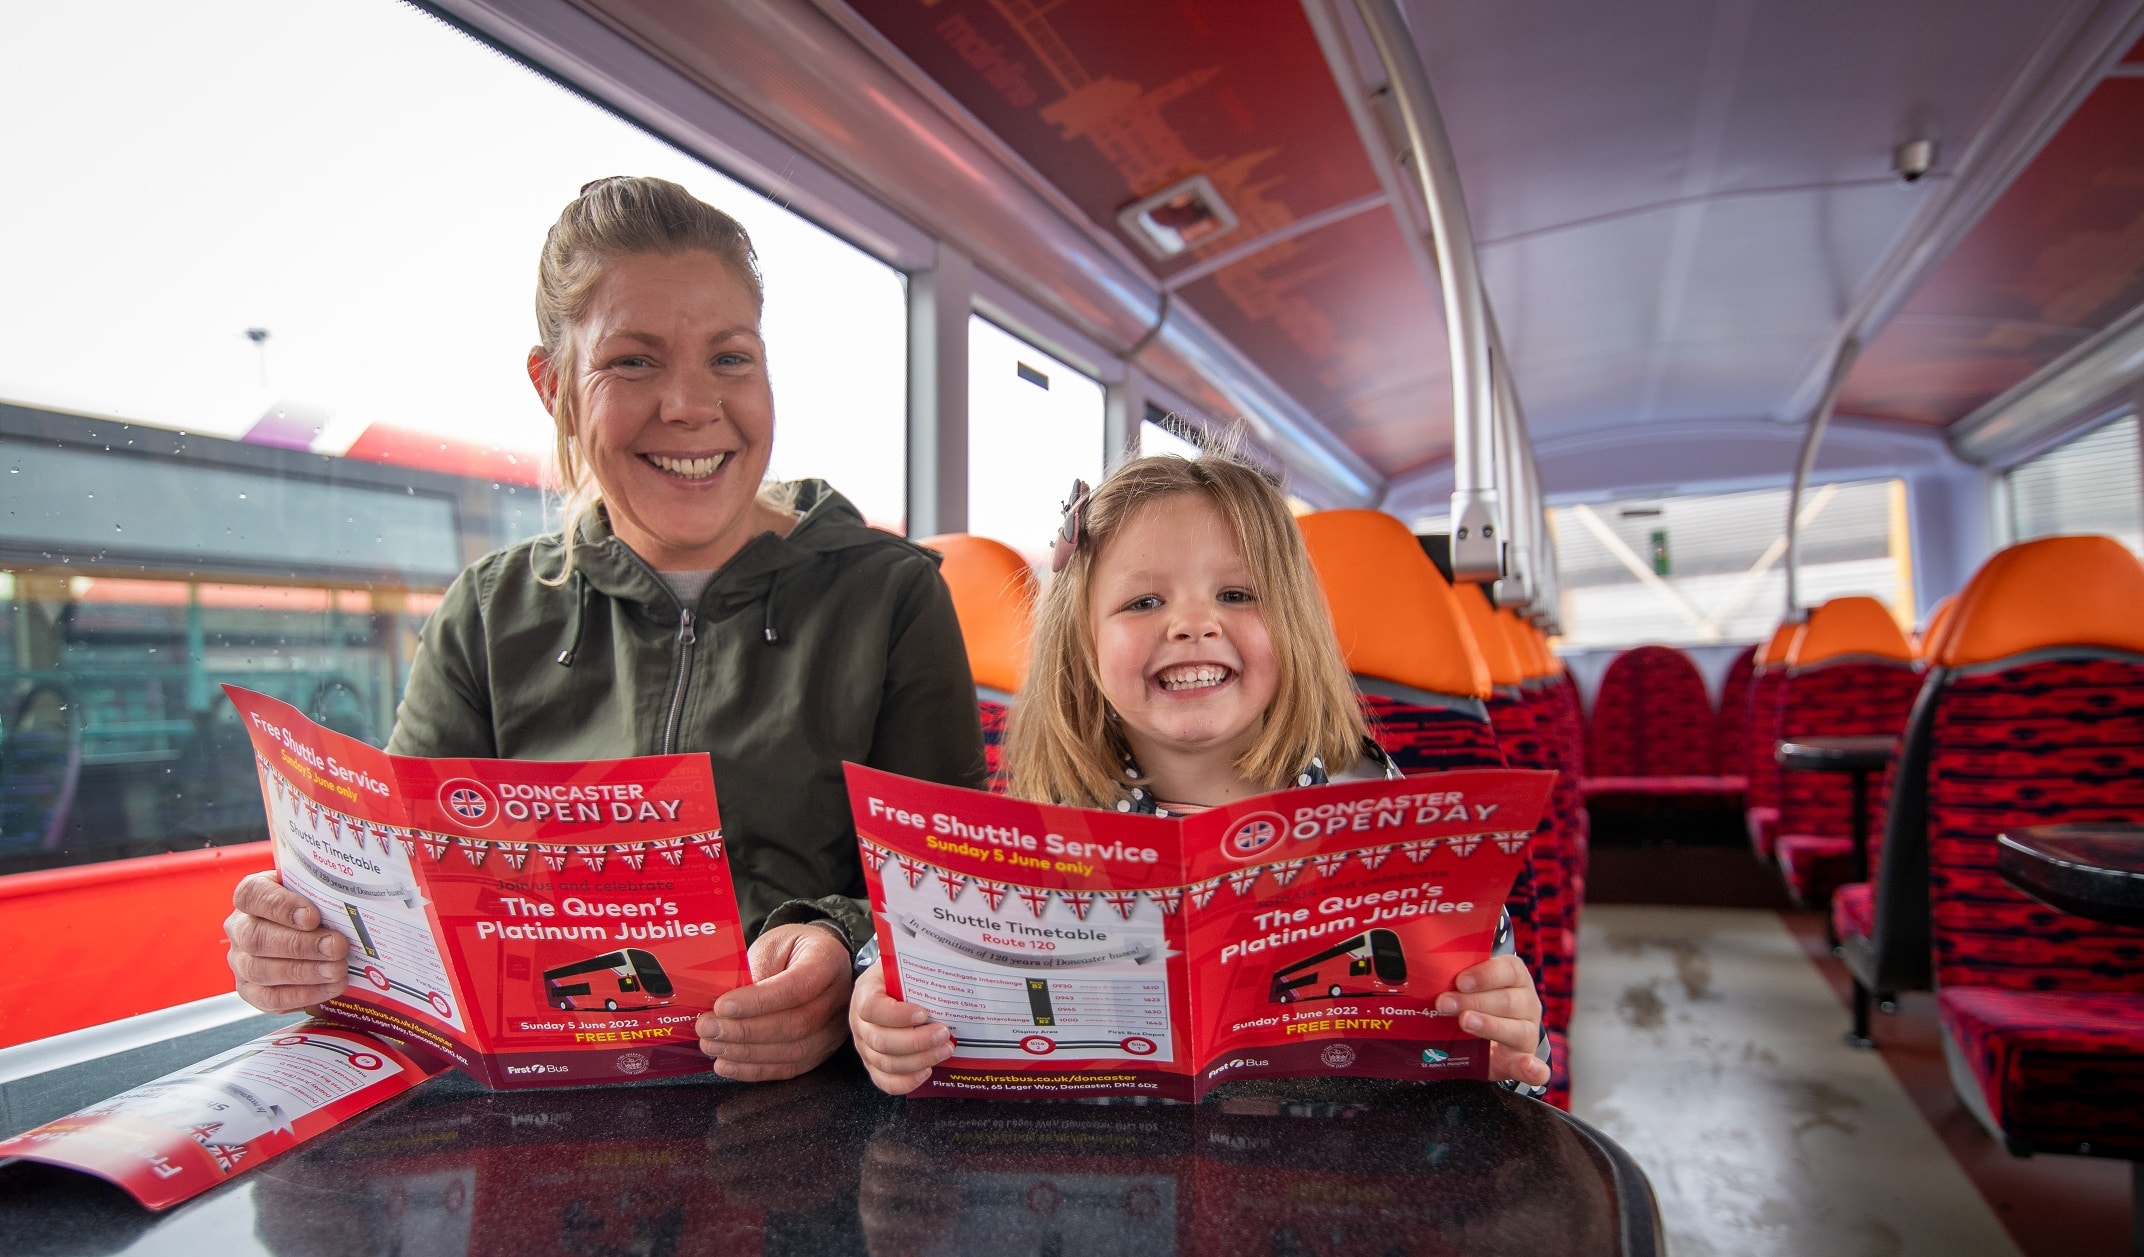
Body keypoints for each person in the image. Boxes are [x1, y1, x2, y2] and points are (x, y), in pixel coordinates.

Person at [224, 177, 986, 1080]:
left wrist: (839, 948)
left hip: (811, 1119)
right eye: (634, 362)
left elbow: (951, 908)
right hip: (548, 1112)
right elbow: (413, 894)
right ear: (555, 387)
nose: (691, 406)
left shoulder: (891, 600)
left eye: (730, 358)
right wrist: (311, 938)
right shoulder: (486, 614)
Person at [849, 449, 1550, 1093]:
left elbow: (1505, 1053)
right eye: (1144, 602)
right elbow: (916, 963)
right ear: (1082, 644)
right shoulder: (1037, 824)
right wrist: (883, 1012)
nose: (1192, 624)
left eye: (1238, 595)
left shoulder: (1377, 805)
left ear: (1295, 626)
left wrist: (1503, 1032)